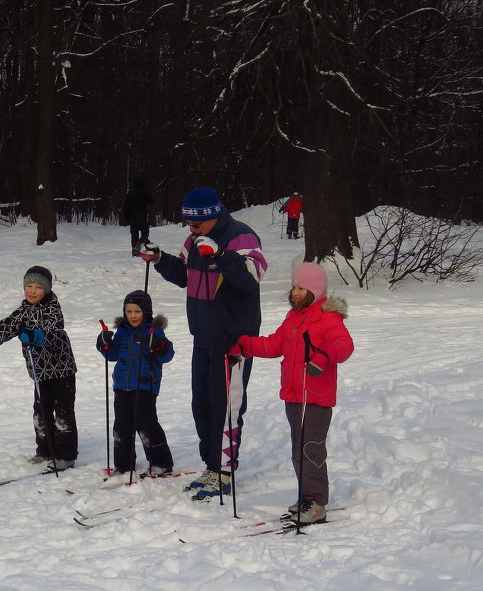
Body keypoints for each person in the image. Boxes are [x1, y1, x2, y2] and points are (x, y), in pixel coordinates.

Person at [139, 187, 267, 501]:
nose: (191, 229)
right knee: (203, 406)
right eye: (188, 224)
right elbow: (185, 275)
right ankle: (212, 465)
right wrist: (159, 259)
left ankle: (224, 471)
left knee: (227, 406)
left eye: (196, 224)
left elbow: (252, 276)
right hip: (203, 336)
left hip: (234, 340)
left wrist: (222, 256)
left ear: (212, 216)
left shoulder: (241, 237)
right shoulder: (193, 241)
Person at [229, 262, 353, 525]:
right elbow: (275, 344)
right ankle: (306, 495)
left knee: (310, 449)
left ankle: (316, 502)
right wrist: (246, 344)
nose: (295, 293)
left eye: (301, 288)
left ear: (316, 291)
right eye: (294, 287)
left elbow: (344, 345)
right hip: (294, 395)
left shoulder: (328, 317)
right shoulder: (294, 318)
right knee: (298, 449)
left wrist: (324, 356)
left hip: (316, 397)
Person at [0, 266, 78, 471]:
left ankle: (66, 454)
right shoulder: (23, 311)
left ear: (47, 289)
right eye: (29, 286)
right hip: (39, 372)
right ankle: (45, 450)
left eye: (37, 287)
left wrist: (37, 336)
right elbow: (4, 329)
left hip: (62, 369)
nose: (32, 291)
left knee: (63, 412)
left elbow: (53, 329)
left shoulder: (52, 307)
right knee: (41, 412)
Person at [96, 290, 175, 477]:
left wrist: (158, 345)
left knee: (145, 423)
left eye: (137, 311)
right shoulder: (122, 332)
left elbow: (167, 355)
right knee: (122, 425)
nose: (132, 316)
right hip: (122, 385)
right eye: (129, 311)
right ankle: (124, 464)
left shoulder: (154, 331)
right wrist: (104, 344)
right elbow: (112, 355)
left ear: (146, 312)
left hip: (145, 384)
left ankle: (161, 462)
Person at [122, 177, 155, 256]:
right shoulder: (144, 193)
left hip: (132, 218)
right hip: (142, 217)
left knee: (134, 234)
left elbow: (125, 206)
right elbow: (152, 200)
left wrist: (127, 218)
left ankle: (135, 249)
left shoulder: (130, 194)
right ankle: (139, 245)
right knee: (145, 233)